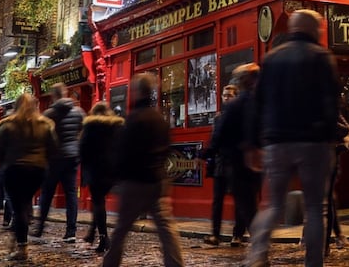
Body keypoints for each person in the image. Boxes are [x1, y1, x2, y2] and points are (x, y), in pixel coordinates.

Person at [245, 9, 340, 267]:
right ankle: (313, 262)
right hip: (313, 141)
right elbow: (331, 102)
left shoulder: (271, 58)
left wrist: (253, 143)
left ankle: (257, 253)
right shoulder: (322, 57)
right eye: (319, 28)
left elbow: (257, 104)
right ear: (313, 29)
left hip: (276, 142)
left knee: (273, 204)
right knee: (314, 208)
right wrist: (330, 137)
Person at [102, 72, 184, 267]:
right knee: (166, 228)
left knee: (122, 228)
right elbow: (167, 148)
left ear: (137, 92)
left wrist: (116, 177)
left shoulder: (133, 119)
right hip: (157, 180)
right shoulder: (160, 119)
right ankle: (175, 264)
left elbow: (123, 151)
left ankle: (110, 264)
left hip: (135, 182)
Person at [0, 93, 59, 262]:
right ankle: (17, 239)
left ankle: (21, 247)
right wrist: (44, 163)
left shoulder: (8, 124)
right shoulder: (45, 125)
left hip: (14, 169)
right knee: (24, 204)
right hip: (37, 170)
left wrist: (3, 163)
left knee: (18, 207)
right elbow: (53, 148)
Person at [212, 64, 262, 247]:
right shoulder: (261, 103)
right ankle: (257, 242)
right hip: (254, 162)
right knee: (249, 204)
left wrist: (209, 152)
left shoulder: (237, 106)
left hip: (239, 162)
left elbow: (219, 135)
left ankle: (254, 242)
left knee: (246, 205)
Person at [34, 83, 85, 241]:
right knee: (71, 193)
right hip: (72, 157)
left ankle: (39, 228)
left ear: (53, 95)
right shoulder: (78, 112)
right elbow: (82, 133)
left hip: (54, 158)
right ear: (65, 93)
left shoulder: (49, 114)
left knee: (47, 193)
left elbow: (42, 136)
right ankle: (71, 231)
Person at [79, 101, 123, 255]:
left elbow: (82, 148)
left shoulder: (90, 126)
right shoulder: (117, 126)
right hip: (113, 170)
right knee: (99, 203)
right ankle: (92, 232)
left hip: (96, 169)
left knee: (98, 202)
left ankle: (104, 238)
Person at [202, 84, 239, 246]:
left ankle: (237, 235)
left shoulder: (241, 116)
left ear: (236, 97)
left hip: (236, 163)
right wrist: (207, 154)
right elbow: (214, 140)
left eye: (229, 95)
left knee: (239, 201)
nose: (226, 98)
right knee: (217, 200)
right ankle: (215, 234)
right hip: (221, 163)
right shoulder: (219, 118)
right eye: (224, 95)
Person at [325, 101, 349, 254]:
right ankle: (333, 238)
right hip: (323, 155)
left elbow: (345, 129)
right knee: (326, 199)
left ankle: (326, 242)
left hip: (327, 155)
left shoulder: (328, 104)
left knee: (326, 199)